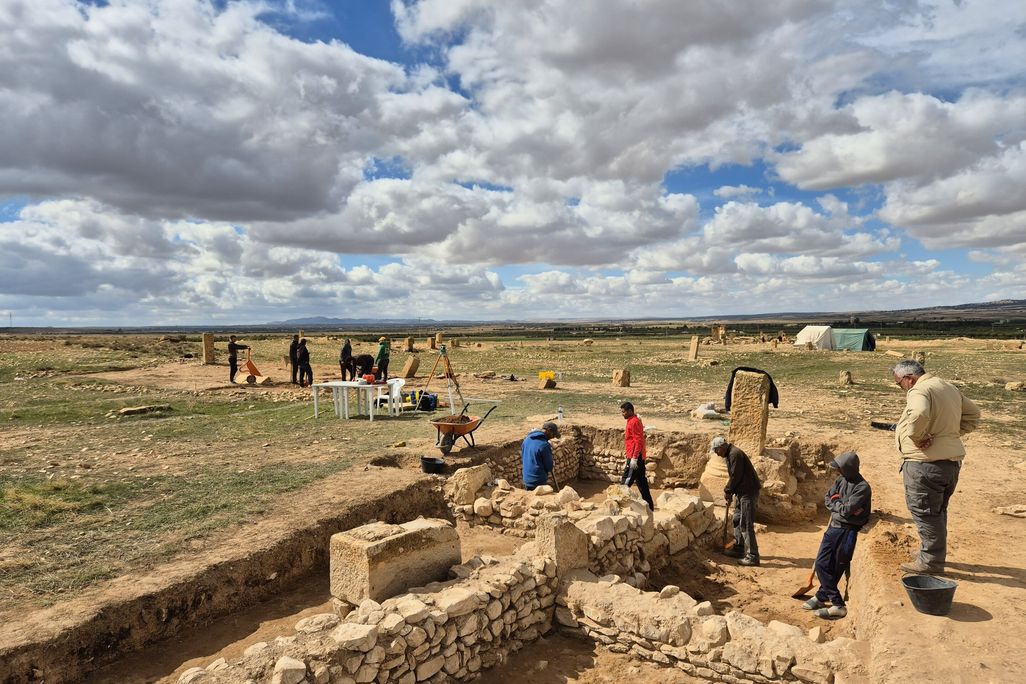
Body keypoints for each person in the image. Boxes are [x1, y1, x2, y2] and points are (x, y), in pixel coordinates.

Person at [892, 359, 980, 573]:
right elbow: (974, 414)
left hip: (925, 464)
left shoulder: (919, 390)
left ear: (908, 378)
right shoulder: (947, 386)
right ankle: (930, 553)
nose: (900, 388)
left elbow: (920, 413)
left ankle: (930, 563)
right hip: (949, 464)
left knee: (925, 512)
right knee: (937, 511)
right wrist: (948, 436)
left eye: (898, 384)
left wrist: (917, 437)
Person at [802, 451, 871, 619]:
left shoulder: (862, 487)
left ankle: (837, 604)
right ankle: (822, 595)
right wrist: (840, 505)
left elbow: (846, 510)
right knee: (822, 563)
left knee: (836, 566)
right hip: (835, 526)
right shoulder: (841, 480)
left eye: (840, 469)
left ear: (848, 469)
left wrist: (838, 505)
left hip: (847, 531)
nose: (837, 472)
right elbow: (828, 498)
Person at [712, 436, 762, 566]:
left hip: (748, 492)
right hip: (741, 492)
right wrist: (731, 492)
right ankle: (739, 548)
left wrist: (728, 490)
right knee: (736, 519)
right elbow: (735, 477)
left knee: (745, 524)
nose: (716, 454)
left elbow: (735, 475)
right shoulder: (730, 454)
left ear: (722, 447)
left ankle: (753, 556)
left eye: (716, 450)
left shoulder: (735, 454)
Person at [620, 402, 654, 510]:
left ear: (630, 411)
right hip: (637, 455)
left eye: (624, 412)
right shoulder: (634, 420)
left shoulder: (633, 422)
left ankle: (618, 503)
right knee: (642, 483)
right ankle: (650, 507)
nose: (622, 414)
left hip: (635, 457)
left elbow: (638, 441)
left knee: (626, 481)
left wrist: (634, 457)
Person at [521, 421, 559, 491]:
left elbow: (523, 457)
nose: (553, 437)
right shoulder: (544, 445)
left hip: (526, 480)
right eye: (553, 434)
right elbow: (549, 467)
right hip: (538, 482)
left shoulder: (527, 439)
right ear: (549, 431)